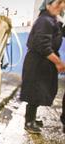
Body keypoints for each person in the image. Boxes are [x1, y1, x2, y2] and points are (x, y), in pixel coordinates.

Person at [20, 0, 65, 134]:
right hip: (37, 63)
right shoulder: (44, 21)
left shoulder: (52, 20)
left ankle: (32, 118)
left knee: (41, 91)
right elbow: (43, 46)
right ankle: (28, 122)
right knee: (35, 92)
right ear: (47, 5)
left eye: (62, 4)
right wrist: (58, 62)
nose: (61, 6)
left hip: (42, 63)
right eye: (58, 3)